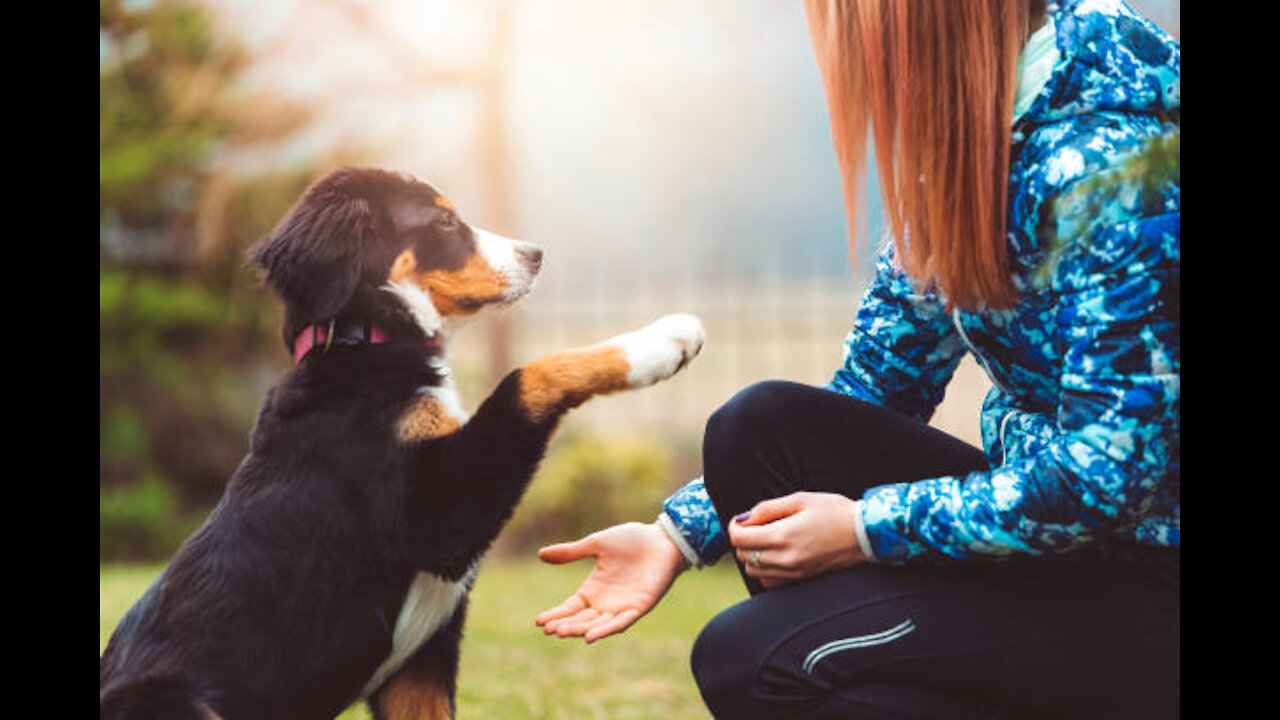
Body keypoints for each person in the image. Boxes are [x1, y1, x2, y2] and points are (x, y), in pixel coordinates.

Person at [535, 0, 1179, 717]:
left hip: (1154, 579)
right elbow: (879, 384)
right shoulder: (977, 146)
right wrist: (675, 537)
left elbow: (1106, 477)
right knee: (758, 428)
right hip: (1066, 548)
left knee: (751, 659)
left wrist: (866, 530)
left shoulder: (1110, 163)